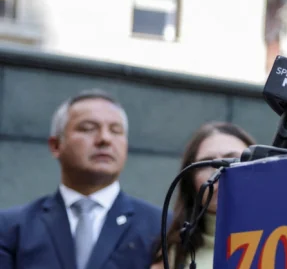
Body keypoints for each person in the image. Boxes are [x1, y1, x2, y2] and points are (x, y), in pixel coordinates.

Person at [0, 90, 163, 269]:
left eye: (116, 131)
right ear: (55, 145)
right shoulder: (12, 228)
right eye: (88, 129)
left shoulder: (161, 227)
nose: (105, 139)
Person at [150, 122, 254, 269]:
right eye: (206, 164)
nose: (219, 171)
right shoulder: (172, 253)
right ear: (190, 179)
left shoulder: (285, 237)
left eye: (234, 160)